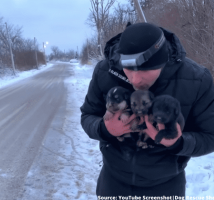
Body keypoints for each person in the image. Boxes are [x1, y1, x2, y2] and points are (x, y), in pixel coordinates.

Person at [80, 22, 214, 197]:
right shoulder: (106, 71)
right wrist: (104, 129)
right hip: (113, 181)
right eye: (128, 69)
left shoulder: (197, 79)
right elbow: (88, 115)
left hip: (166, 185)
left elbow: (210, 136)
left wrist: (178, 143)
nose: (135, 79)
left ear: (163, 60)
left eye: (145, 70)